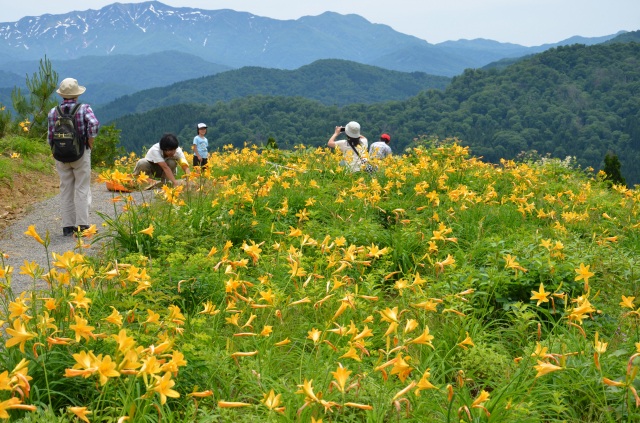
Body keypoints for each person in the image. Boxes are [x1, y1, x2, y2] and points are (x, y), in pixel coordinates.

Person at [47, 77, 100, 237]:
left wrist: (55, 150)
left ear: (62, 95)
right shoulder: (83, 108)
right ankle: (82, 224)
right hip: (80, 153)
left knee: (66, 188)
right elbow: (94, 124)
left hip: (60, 155)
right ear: (76, 95)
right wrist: (90, 141)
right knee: (82, 188)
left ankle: (67, 226)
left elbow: (50, 135)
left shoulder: (53, 111)